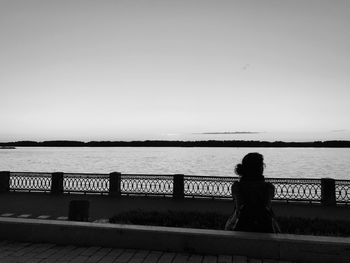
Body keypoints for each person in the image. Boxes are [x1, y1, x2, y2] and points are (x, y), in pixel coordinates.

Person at [225, 152, 280, 233]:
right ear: (260, 168)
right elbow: (267, 207)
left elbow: (238, 208)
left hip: (240, 227)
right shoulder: (268, 187)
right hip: (265, 228)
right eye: (262, 165)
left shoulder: (237, 187)